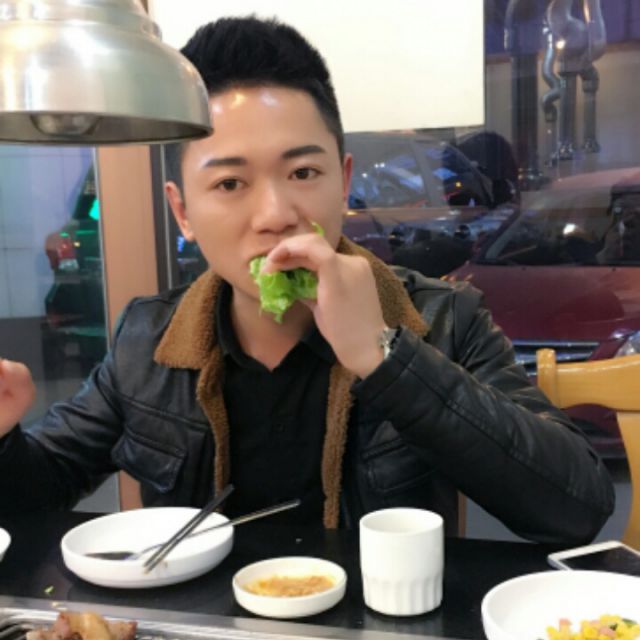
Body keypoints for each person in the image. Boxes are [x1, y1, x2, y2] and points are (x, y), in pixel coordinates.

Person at [0, 16, 614, 543]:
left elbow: (577, 509)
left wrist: (385, 356)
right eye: (229, 183)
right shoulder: (147, 340)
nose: (275, 215)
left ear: (342, 182)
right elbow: (35, 488)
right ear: (182, 210)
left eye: (302, 173)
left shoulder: (443, 319)